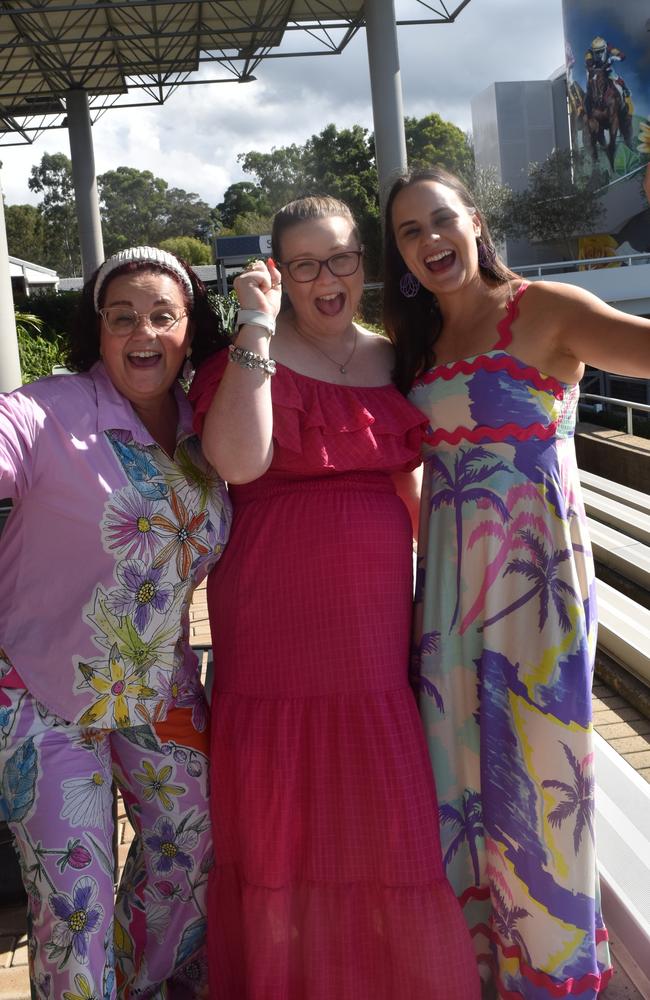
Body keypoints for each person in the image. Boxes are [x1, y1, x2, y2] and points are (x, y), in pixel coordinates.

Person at [189, 195, 480, 999]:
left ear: (366, 264)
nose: (329, 277)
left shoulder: (396, 360)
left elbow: (414, 486)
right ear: (280, 272)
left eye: (343, 258)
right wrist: (254, 329)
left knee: (384, 828)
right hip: (274, 633)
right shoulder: (250, 357)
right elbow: (238, 463)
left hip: (375, 639)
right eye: (306, 263)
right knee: (284, 830)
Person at [383, 164, 650, 998]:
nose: (429, 242)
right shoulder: (412, 348)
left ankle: (557, 979)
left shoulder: (544, 311)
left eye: (439, 221)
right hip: (449, 598)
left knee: (542, 770)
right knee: (458, 776)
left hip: (537, 586)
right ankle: (478, 971)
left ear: (475, 220)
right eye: (408, 232)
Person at [0, 246, 232, 999]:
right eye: (121, 316)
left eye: (163, 316)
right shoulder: (53, 409)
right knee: (75, 905)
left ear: (189, 331)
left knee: (194, 845)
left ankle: (138, 984)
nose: (144, 331)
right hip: (43, 694)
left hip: (160, 687)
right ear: (97, 333)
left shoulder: (209, 429)